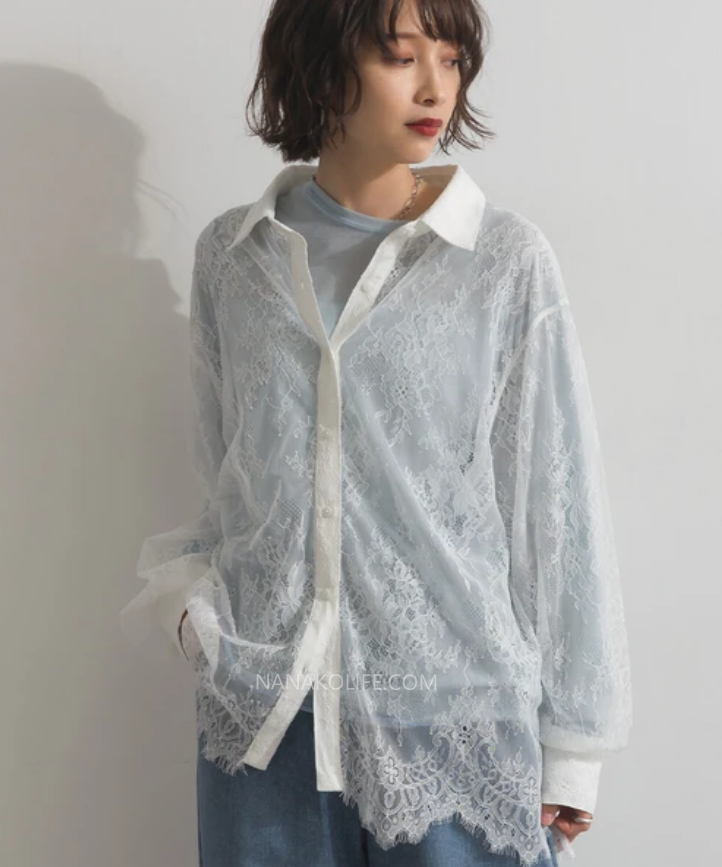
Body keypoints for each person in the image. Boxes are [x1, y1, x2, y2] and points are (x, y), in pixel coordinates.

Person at [120, 0, 633, 864]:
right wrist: (191, 611)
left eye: (453, 57)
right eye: (401, 56)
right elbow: (227, 478)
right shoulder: (233, 259)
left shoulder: (501, 262)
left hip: (452, 723)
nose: (437, 86)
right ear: (322, 65)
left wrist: (575, 747)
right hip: (266, 720)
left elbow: (560, 505)